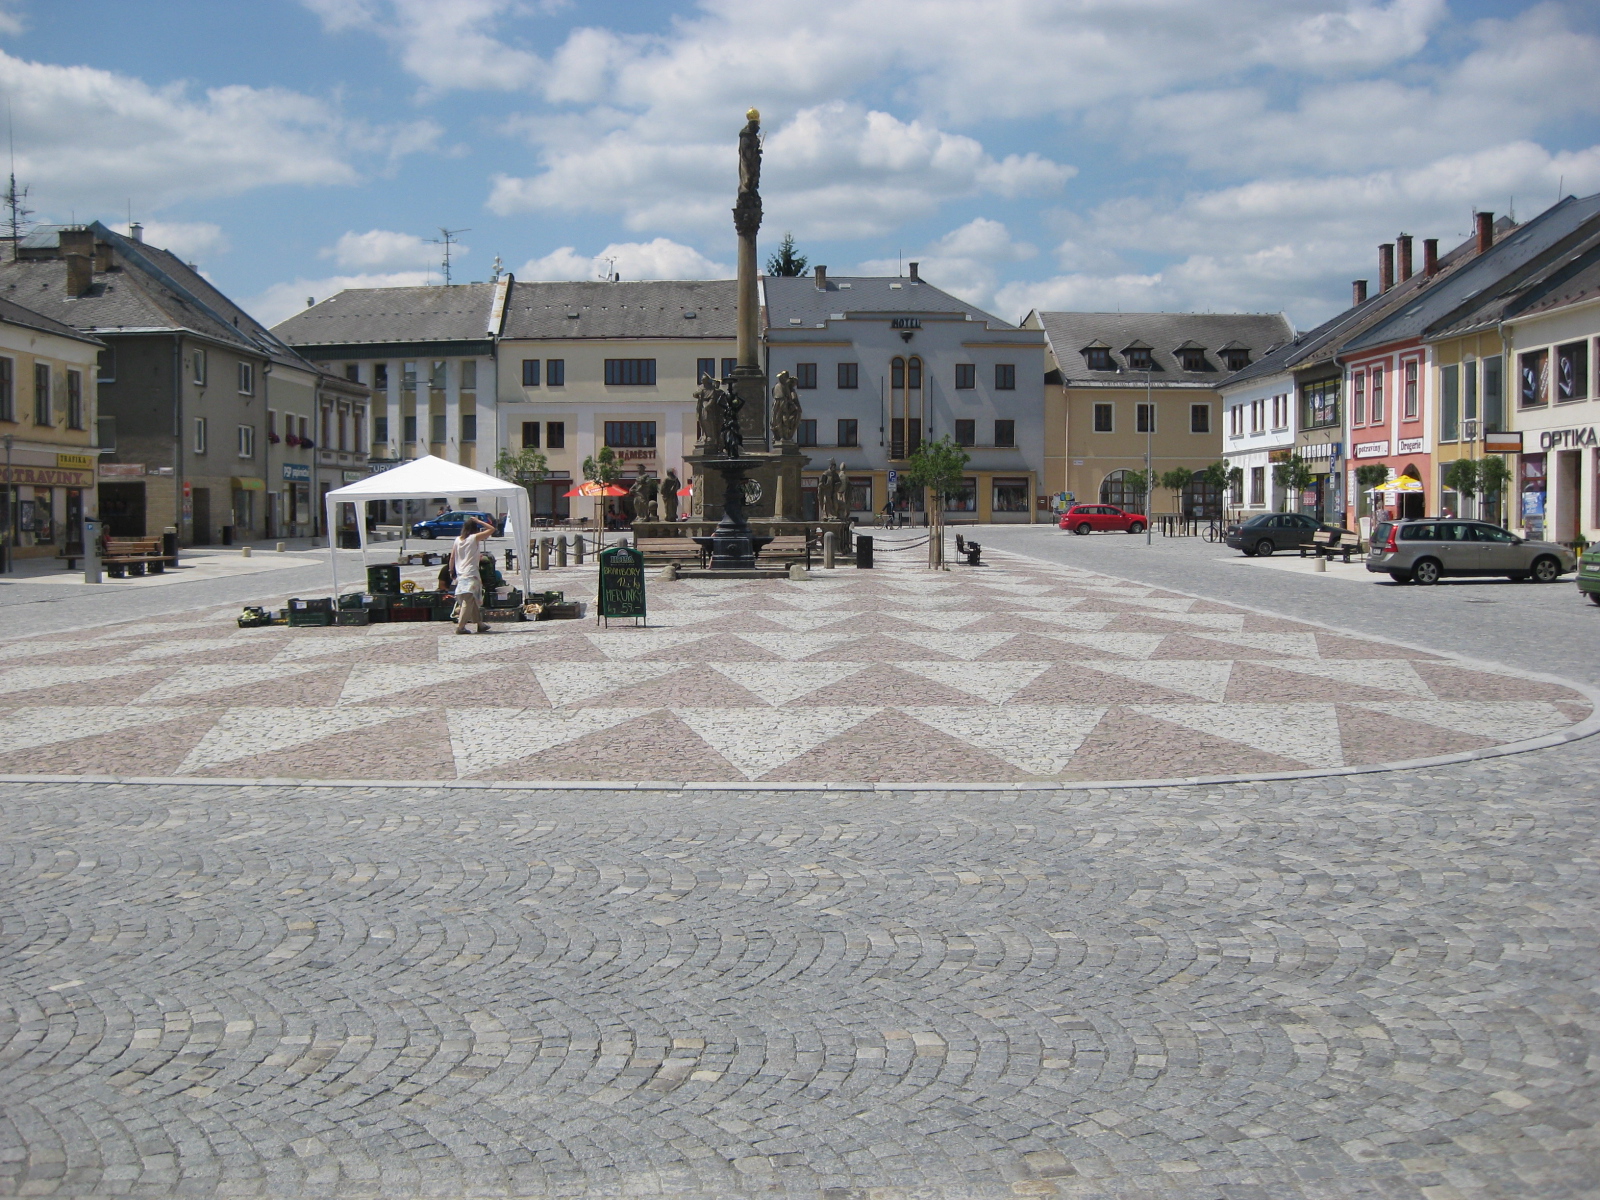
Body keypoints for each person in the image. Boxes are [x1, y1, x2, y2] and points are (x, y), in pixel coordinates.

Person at [451, 515, 496, 635]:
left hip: (461, 573)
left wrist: (451, 571)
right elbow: (492, 529)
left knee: (471, 600)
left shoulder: (457, 540)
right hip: (471, 573)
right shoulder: (473, 538)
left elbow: (452, 557)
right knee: (468, 600)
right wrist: (479, 521)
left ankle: (480, 624)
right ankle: (460, 627)